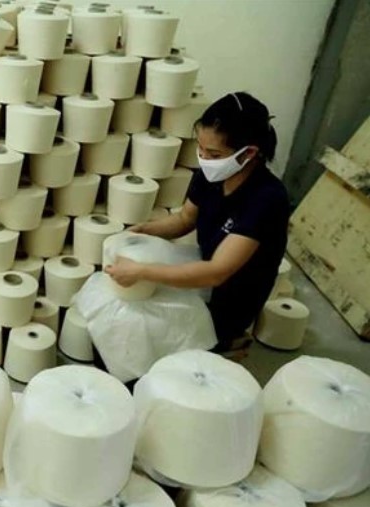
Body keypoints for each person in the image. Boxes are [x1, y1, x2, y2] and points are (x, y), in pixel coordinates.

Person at [106, 92, 289, 352]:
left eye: (214, 154)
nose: (204, 159)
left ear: (248, 153)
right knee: (121, 315)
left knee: (142, 337)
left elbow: (217, 272)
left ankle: (228, 338)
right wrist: (142, 231)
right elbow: (183, 219)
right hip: (203, 274)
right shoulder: (210, 176)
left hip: (230, 299)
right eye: (200, 149)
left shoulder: (267, 199)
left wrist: (142, 271)